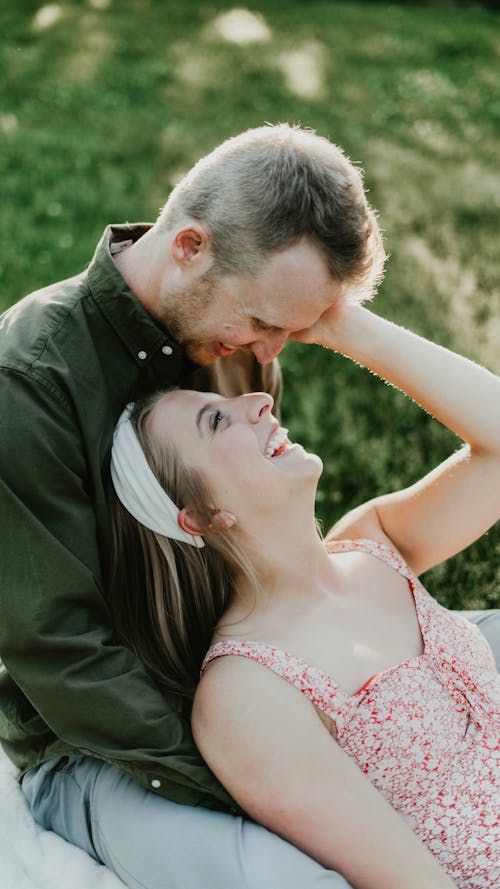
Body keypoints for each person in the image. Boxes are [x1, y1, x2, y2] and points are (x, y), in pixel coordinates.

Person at [1, 123, 392, 889]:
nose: (270, 353)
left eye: (292, 328)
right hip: (113, 751)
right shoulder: (25, 385)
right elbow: (69, 657)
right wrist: (275, 782)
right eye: (264, 321)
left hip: (268, 682)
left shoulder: (231, 335)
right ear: (188, 246)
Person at [107, 302, 500, 889]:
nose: (258, 401)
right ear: (201, 516)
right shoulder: (247, 691)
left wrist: (346, 326)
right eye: (216, 422)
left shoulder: (371, 545)